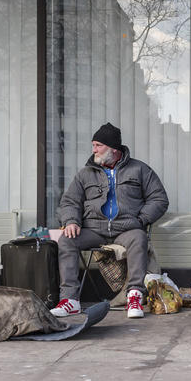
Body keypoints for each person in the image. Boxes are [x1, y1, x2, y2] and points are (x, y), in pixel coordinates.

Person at [53, 122, 169, 319]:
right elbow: (70, 201)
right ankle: (70, 300)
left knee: (139, 238)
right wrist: (72, 220)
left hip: (126, 228)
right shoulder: (85, 173)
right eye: (93, 145)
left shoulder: (140, 170)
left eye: (98, 145)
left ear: (113, 149)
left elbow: (159, 199)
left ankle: (134, 296)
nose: (94, 150)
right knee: (66, 240)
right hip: (93, 228)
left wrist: (141, 219)